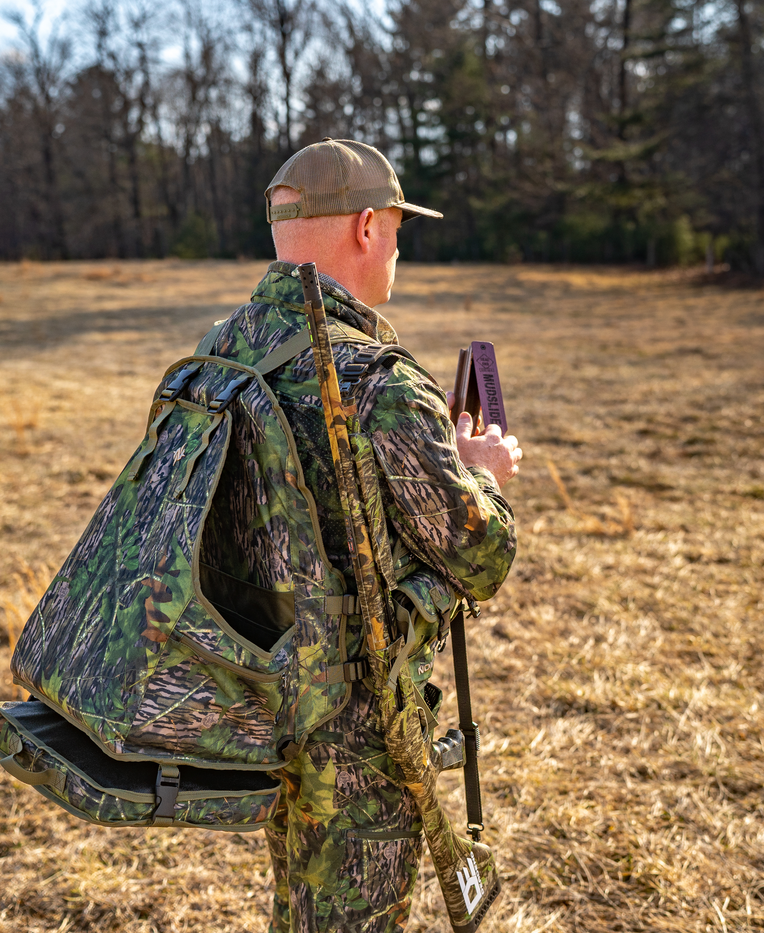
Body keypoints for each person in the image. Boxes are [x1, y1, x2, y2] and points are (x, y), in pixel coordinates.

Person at [212, 137, 521, 932]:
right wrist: (477, 470)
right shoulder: (379, 381)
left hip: (261, 691)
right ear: (363, 227)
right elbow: (479, 553)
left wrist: (429, 461)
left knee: (297, 902)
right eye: (395, 226)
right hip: (358, 728)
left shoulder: (224, 349)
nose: (395, 245)